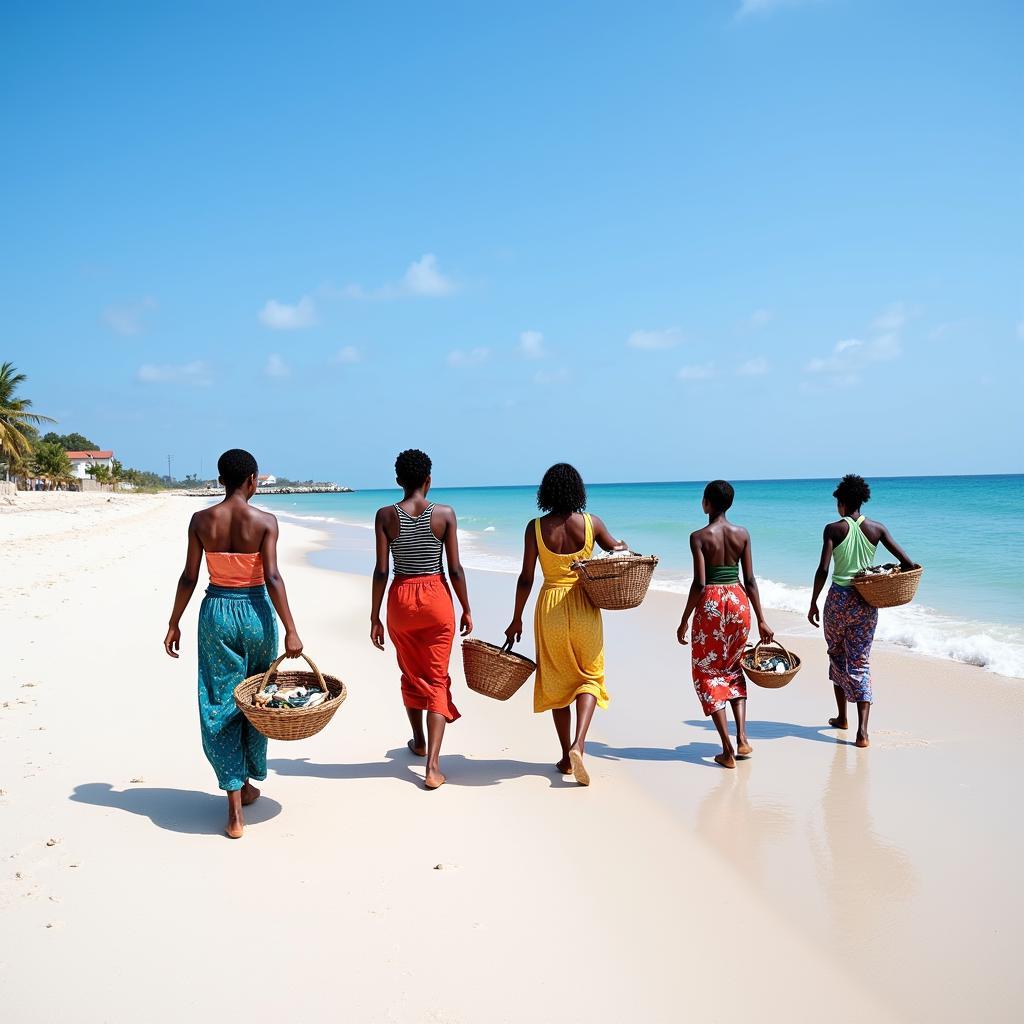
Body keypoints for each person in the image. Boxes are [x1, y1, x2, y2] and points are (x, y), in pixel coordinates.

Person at [163, 449, 304, 839]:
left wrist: (174, 621)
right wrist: (291, 629)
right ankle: (246, 781)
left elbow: (189, 576)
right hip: (257, 613)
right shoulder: (265, 521)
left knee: (220, 699)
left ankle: (235, 804)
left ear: (222, 479)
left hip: (216, 613)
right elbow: (273, 577)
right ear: (252, 480)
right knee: (255, 697)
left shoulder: (201, 520)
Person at [503, 463, 626, 786]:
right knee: (589, 676)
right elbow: (618, 550)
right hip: (584, 606)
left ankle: (565, 756)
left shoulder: (535, 528)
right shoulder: (591, 523)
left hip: (550, 609)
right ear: (577, 490)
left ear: (546, 492)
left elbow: (526, 577)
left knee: (558, 681)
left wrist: (516, 618)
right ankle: (579, 745)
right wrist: (623, 547)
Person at [370, 449, 473, 790]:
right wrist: (466, 607)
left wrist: (375, 615)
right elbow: (455, 568)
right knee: (437, 676)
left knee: (411, 672)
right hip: (436, 598)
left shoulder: (385, 516)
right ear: (429, 480)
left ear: (398, 480)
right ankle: (431, 767)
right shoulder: (444, 514)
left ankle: (419, 740)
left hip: (400, 599)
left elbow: (381, 570)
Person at [808, 474, 915, 748]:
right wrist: (909, 569)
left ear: (842, 503)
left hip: (837, 601)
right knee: (860, 661)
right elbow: (905, 561)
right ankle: (862, 731)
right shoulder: (876, 529)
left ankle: (842, 717)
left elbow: (823, 569)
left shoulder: (833, 529)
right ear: (861, 501)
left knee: (837, 654)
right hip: (866, 602)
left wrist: (813, 602)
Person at [677, 480, 774, 768]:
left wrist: (684, 621)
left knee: (707, 671)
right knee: (732, 667)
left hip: (711, 605)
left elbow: (699, 582)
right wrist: (761, 619)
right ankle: (743, 738)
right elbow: (751, 580)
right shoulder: (742, 534)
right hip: (738, 601)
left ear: (706, 502)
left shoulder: (698, 537)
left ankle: (727, 749)